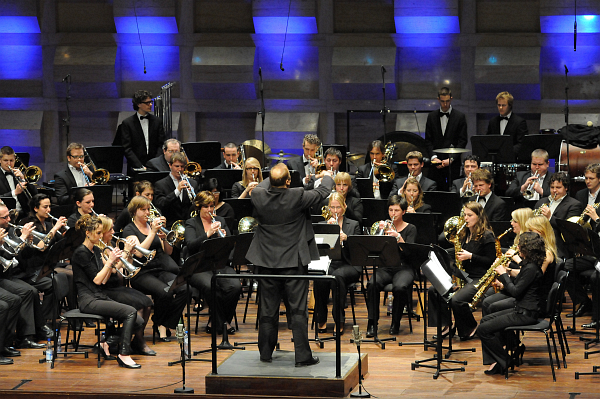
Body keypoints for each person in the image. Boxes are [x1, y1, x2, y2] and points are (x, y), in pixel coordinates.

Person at [246, 163, 333, 366]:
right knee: (298, 310)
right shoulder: (297, 195)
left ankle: (265, 353)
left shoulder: (257, 194)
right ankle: (302, 356)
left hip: (266, 262)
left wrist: (276, 175)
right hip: (293, 262)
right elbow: (323, 190)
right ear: (288, 181)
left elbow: (267, 184)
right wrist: (327, 175)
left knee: (267, 310)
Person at [71, 214, 145, 368]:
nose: (100, 236)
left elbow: (104, 280)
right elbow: (97, 280)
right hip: (88, 300)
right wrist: (110, 261)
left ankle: (106, 342)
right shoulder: (81, 253)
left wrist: (111, 263)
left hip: (99, 295)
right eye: (97, 233)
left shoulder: (95, 251)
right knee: (131, 312)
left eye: (100, 233)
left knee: (139, 321)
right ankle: (124, 355)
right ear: (88, 233)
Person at [477, 232, 546, 375]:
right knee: (485, 320)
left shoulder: (531, 268)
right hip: (521, 310)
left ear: (526, 249)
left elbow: (515, 292)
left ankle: (505, 360)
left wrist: (503, 274)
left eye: (520, 245)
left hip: (525, 314)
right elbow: (519, 286)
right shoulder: (529, 266)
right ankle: (504, 356)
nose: (518, 248)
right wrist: (504, 281)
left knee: (483, 329)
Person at [122, 196, 188, 343]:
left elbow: (168, 252)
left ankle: (163, 321)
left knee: (184, 288)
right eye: (143, 209)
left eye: (148, 209)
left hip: (160, 269)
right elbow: (138, 253)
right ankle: (160, 323)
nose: (147, 212)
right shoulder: (129, 229)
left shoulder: (152, 226)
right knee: (166, 292)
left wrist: (165, 238)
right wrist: (152, 233)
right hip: (141, 272)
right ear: (134, 211)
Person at [429, 202, 496, 340]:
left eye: (470, 215)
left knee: (456, 299)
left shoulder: (487, 235)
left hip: (481, 277)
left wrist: (471, 256)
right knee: (434, 290)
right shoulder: (464, 233)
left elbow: (491, 261)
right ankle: (447, 325)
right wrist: (440, 252)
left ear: (479, 216)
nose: (466, 218)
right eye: (465, 215)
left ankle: (470, 326)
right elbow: (457, 252)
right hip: (465, 275)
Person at [184, 191, 241, 334]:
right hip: (199, 267)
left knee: (235, 287)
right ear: (198, 207)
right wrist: (208, 234)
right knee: (211, 286)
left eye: (211, 206)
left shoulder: (220, 220)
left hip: (219, 263)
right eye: (206, 207)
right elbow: (190, 245)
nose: (210, 210)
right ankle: (222, 323)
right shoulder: (191, 223)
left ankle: (218, 320)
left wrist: (225, 238)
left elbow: (230, 245)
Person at [97, 216, 155, 356]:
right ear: (102, 231)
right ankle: (125, 341)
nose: (113, 231)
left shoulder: (110, 245)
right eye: (110, 229)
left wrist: (129, 255)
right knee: (140, 305)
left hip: (116, 285)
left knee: (148, 303)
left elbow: (121, 271)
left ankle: (136, 340)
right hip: (104, 290)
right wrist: (126, 252)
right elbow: (110, 271)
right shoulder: (98, 249)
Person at [366, 195, 417, 336]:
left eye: (397, 210)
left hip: (404, 267)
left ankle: (396, 322)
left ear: (404, 212)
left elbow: (410, 254)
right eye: (390, 210)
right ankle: (372, 323)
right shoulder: (383, 227)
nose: (393, 214)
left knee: (400, 288)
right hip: (385, 266)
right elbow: (374, 249)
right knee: (371, 284)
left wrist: (399, 238)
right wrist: (379, 233)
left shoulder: (411, 229)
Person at [313, 193, 361, 335]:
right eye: (332, 207)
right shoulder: (322, 225)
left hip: (349, 264)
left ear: (344, 207)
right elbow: (318, 249)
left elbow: (358, 250)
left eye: (338, 207)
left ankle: (339, 319)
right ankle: (321, 318)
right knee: (321, 277)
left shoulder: (353, 225)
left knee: (337, 277)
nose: (335, 211)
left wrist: (346, 239)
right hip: (330, 262)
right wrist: (327, 233)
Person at [481, 207, 534, 317]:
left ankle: (490, 330)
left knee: (489, 302)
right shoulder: (518, 239)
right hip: (515, 283)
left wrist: (506, 274)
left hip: (522, 292)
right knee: (486, 297)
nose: (511, 223)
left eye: (515, 221)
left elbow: (527, 271)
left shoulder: (530, 244)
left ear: (523, 222)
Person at [567, 163, 600, 324]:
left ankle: (597, 316)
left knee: (595, 277)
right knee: (566, 266)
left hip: (598, 247)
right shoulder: (580, 194)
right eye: (586, 178)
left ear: (599, 179)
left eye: (591, 178)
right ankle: (584, 301)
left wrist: (595, 217)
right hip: (587, 247)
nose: (587, 181)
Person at [425, 87, 468, 191]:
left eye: (447, 101)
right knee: (435, 193)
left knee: (453, 193)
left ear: (451, 99)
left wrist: (451, 159)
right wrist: (434, 158)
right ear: (438, 99)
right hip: (435, 164)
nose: (445, 104)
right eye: (443, 101)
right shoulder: (431, 116)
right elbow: (428, 141)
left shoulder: (460, 117)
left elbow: (462, 141)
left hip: (452, 164)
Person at [114, 90, 166, 173]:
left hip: (155, 167)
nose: (151, 105)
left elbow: (161, 144)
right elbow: (127, 148)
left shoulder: (157, 121)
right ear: (138, 104)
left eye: (151, 102)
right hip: (135, 168)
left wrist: (155, 163)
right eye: (147, 103)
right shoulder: (127, 123)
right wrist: (139, 166)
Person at [534, 172, 582, 259]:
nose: (554, 190)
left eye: (558, 187)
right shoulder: (541, 202)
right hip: (538, 242)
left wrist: (550, 217)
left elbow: (569, 229)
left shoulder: (574, 204)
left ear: (566, 188)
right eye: (552, 187)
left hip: (559, 246)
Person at [154, 152, 200, 228]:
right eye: (177, 166)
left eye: (182, 166)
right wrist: (177, 191)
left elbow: (197, 205)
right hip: (170, 225)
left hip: (189, 224)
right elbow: (160, 204)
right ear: (170, 165)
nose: (180, 169)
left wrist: (193, 194)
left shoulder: (193, 183)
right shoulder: (160, 184)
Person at [486, 91, 528, 157]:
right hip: (496, 159)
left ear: (510, 105)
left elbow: (521, 144)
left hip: (512, 159)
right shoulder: (492, 121)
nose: (500, 108)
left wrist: (506, 152)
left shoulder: (519, 122)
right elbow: (488, 140)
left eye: (504, 105)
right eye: (499, 105)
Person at [0, 146, 38, 218]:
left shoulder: (19, 173)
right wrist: (15, 192)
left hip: (24, 214)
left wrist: (23, 178)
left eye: (11, 160)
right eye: (6, 160)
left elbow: (34, 194)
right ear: (0, 160)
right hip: (4, 216)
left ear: (15, 159)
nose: (9, 163)